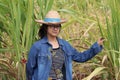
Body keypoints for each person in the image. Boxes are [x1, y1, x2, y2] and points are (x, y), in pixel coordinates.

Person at [26, 10, 104, 80]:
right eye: (52, 26)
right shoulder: (37, 46)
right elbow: (29, 69)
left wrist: (96, 46)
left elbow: (81, 57)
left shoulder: (65, 45)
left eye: (57, 26)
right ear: (46, 27)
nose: (55, 29)